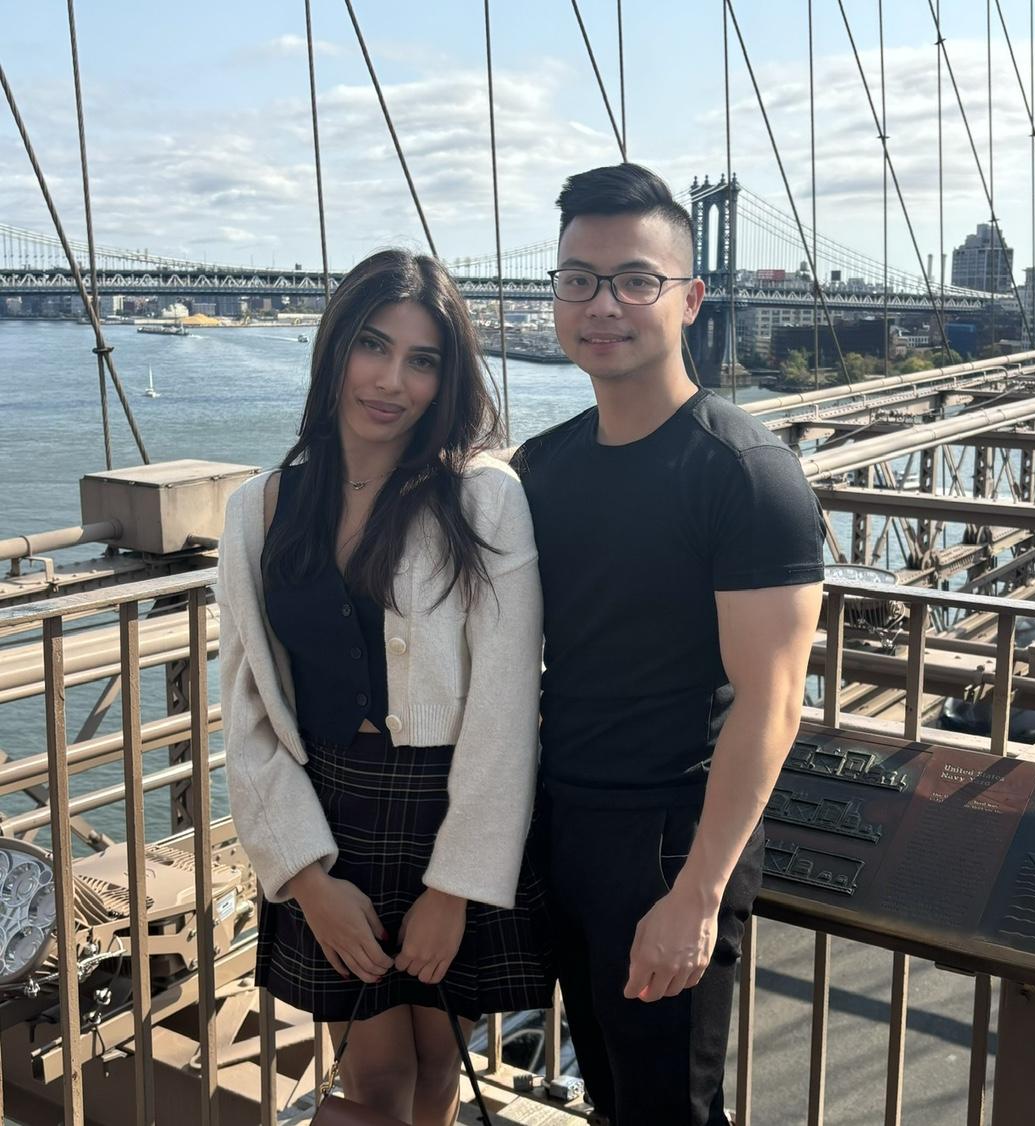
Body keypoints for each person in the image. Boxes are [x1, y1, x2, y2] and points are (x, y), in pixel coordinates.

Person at [515, 164, 825, 1126]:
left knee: (671, 1111)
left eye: (635, 281)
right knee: (614, 1100)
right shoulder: (541, 467)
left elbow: (773, 703)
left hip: (670, 841)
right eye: (578, 279)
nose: (602, 304)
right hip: (560, 825)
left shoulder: (747, 474)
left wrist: (697, 895)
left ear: (690, 299)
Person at [217, 249, 553, 1126]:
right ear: (334, 348)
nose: (391, 381)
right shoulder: (259, 508)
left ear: (447, 378)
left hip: (453, 809)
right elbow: (248, 711)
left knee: (438, 1067)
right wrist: (306, 878)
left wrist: (456, 886)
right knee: (372, 1079)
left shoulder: (481, 499)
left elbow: (506, 705)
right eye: (372, 345)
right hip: (333, 820)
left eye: (422, 359)